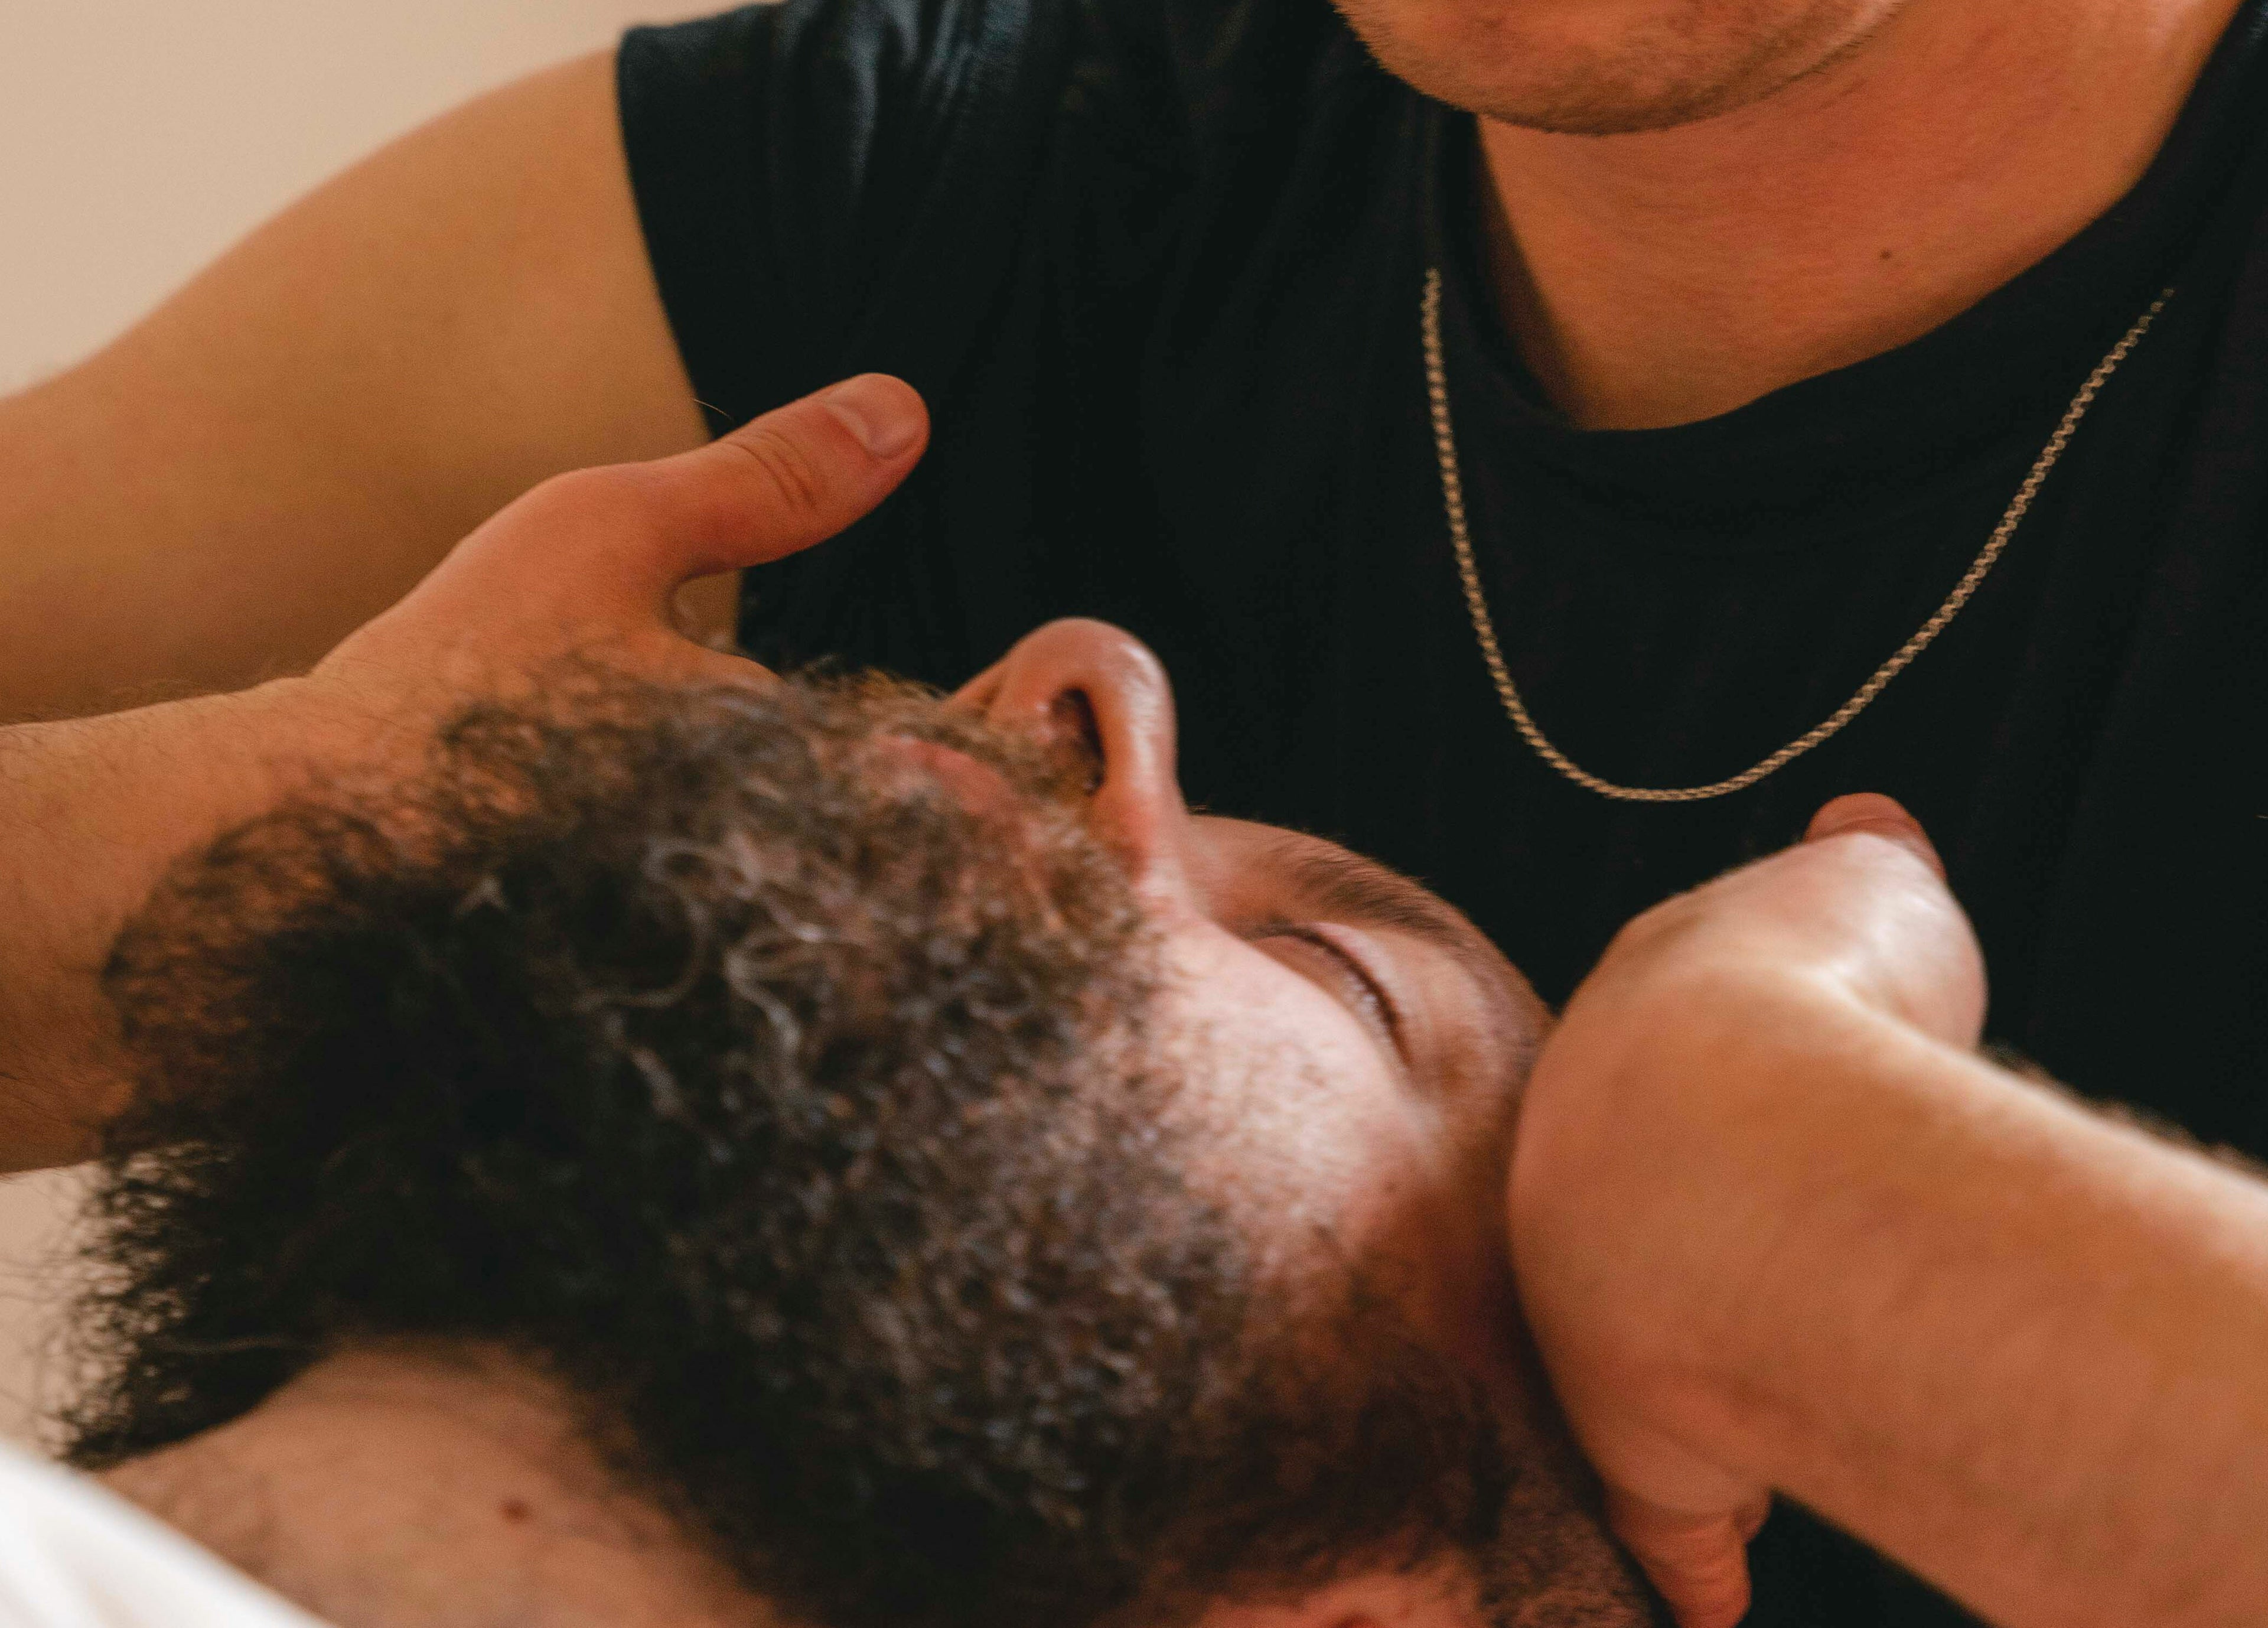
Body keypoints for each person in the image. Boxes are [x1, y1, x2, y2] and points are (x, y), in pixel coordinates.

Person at [3, 4, 2264, 1613]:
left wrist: (1820, 1217)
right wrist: (257, 830)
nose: (1072, 688)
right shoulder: (922, 181)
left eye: (1344, 974)